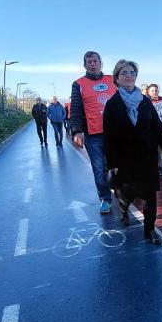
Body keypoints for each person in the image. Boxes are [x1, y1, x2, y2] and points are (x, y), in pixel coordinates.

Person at [103, 60, 162, 245]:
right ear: (117, 78)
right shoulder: (112, 104)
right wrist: (112, 164)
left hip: (147, 156)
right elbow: (109, 136)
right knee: (126, 194)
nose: (129, 76)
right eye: (124, 73)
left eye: (132, 73)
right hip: (125, 158)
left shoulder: (145, 101)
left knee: (150, 196)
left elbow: (157, 128)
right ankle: (124, 211)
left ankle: (150, 230)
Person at [70, 51, 117, 214]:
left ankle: (117, 186)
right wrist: (77, 131)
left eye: (95, 61)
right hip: (93, 134)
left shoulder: (113, 79)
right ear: (85, 65)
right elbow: (75, 109)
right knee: (99, 169)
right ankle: (105, 199)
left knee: (117, 165)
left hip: (115, 132)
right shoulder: (78, 84)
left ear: (100, 63)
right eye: (89, 61)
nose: (92, 64)